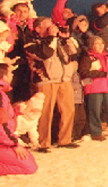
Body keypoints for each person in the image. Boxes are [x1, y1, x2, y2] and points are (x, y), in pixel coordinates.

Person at [24, 17, 80, 152]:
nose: (52, 29)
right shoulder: (31, 43)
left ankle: (65, 140)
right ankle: (43, 143)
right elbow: (44, 54)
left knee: (68, 110)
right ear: (38, 29)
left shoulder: (58, 40)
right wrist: (51, 37)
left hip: (64, 79)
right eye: (48, 26)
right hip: (46, 80)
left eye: (52, 26)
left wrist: (66, 38)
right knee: (45, 112)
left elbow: (74, 51)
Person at [0, 63, 38, 177]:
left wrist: (14, 113)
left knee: (28, 159)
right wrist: (14, 144)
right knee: (29, 167)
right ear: (4, 77)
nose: (12, 75)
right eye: (10, 73)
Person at [78, 36, 108, 141]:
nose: (101, 46)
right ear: (92, 45)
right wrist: (103, 74)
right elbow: (84, 72)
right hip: (94, 87)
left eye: (102, 43)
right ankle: (96, 132)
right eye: (97, 43)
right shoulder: (87, 58)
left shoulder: (107, 56)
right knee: (95, 110)